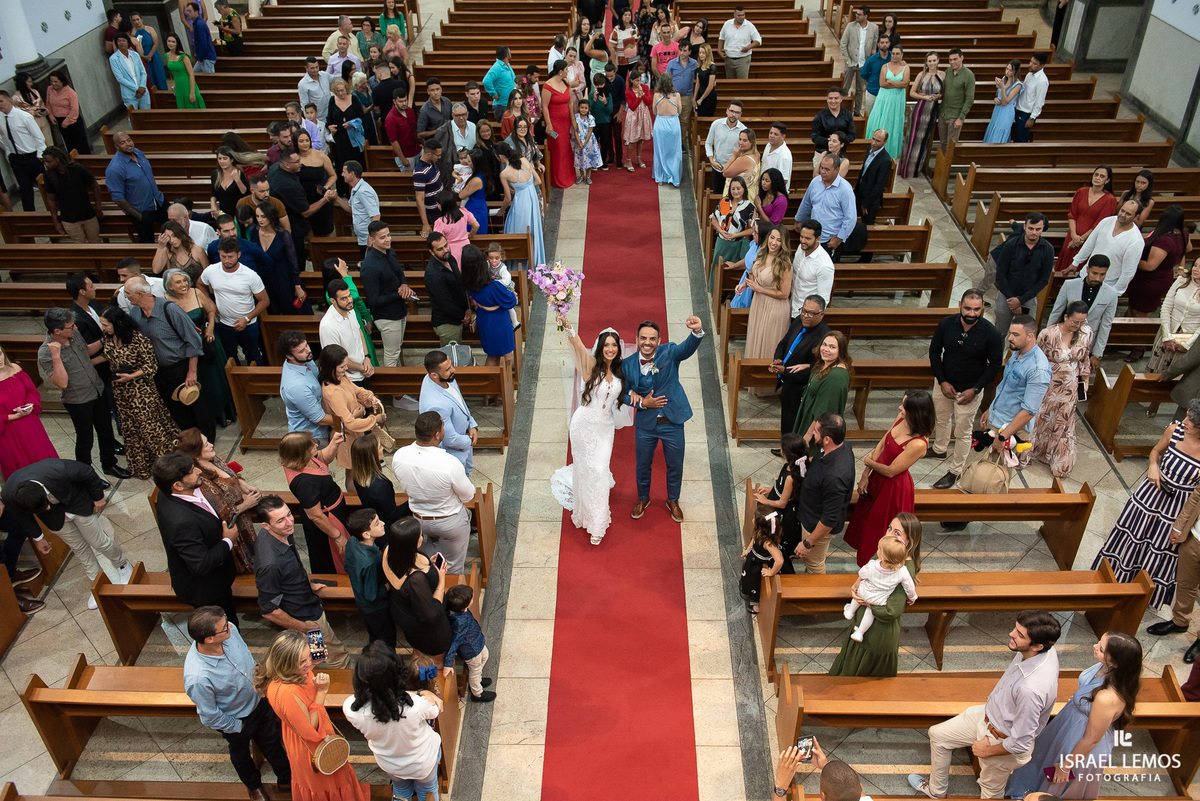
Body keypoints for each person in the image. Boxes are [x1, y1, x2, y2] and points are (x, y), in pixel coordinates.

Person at [909, 611, 1062, 800]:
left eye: (1020, 635)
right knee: (938, 735)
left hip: (1000, 739)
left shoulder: (1030, 690)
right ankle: (936, 791)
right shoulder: (1044, 649)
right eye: (1015, 628)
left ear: (1038, 646)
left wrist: (987, 750)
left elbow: (1021, 742)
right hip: (988, 715)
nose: (1011, 634)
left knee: (990, 792)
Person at [1008, 632, 1141, 800]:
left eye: (1100, 648)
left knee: (1055, 776)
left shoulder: (1107, 697)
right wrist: (1081, 702)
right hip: (1069, 722)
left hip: (1079, 739)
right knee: (1043, 757)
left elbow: (1090, 739)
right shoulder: (1111, 670)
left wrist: (1066, 766)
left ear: (1114, 663)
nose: (1094, 646)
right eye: (1099, 642)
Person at [1091, 405, 1200, 609]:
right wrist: (1153, 466)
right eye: (1186, 417)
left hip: (1178, 506)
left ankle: (1142, 595)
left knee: (1159, 547)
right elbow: (1156, 451)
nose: (1184, 422)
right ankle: (1114, 580)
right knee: (1134, 536)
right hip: (1151, 494)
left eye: (1191, 422)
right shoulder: (1174, 430)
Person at [183, 607, 292, 801]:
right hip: (236, 719)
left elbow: (246, 656)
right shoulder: (198, 677)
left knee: (273, 744)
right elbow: (209, 714)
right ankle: (254, 786)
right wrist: (236, 726)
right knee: (241, 756)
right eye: (224, 627)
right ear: (209, 639)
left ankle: (286, 779)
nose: (230, 627)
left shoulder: (229, 630)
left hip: (259, 701)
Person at [4, 458, 134, 609]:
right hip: (55, 520)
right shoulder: (9, 495)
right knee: (79, 549)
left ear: (43, 488)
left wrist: (98, 498)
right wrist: (39, 537)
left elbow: (87, 472)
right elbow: (22, 517)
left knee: (99, 542)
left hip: (76, 502)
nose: (47, 508)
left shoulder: (57, 469)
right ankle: (98, 583)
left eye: (45, 504)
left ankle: (122, 565)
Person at [254, 630, 363, 798]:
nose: (309, 663)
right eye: (302, 661)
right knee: (326, 783)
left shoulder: (293, 673)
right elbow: (309, 729)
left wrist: (311, 664)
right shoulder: (287, 692)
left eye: (308, 657)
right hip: (310, 746)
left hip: (314, 734)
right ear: (286, 663)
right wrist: (322, 692)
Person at [253, 493, 353, 669]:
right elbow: (269, 610)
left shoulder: (279, 533)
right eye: (280, 520)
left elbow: (289, 571)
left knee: (316, 656)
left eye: (289, 515)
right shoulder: (270, 564)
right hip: (304, 616)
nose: (289, 522)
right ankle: (341, 685)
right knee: (336, 656)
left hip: (305, 604)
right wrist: (304, 626)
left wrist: (306, 584)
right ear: (265, 526)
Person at [550, 319, 627, 544]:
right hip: (583, 425)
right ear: (600, 347)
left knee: (600, 470)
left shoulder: (622, 371)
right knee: (586, 469)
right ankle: (590, 519)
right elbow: (577, 345)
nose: (610, 349)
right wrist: (568, 327)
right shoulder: (590, 367)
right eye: (607, 345)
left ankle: (598, 521)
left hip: (605, 427)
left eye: (614, 345)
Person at [622, 316, 705, 523]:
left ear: (659, 340)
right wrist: (641, 403)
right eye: (643, 338)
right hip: (645, 425)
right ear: (637, 339)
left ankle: (673, 501)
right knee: (642, 465)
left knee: (675, 464)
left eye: (652, 339)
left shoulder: (669, 352)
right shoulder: (627, 365)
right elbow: (621, 393)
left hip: (673, 422)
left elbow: (686, 349)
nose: (647, 343)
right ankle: (643, 499)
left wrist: (696, 332)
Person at [344, 643, 443, 801]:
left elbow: (375, 696)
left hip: (390, 763)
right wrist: (419, 692)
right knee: (428, 789)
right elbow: (435, 710)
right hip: (422, 762)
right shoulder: (415, 704)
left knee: (401, 791)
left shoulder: (352, 709)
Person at [843, 391, 933, 566]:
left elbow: (892, 471)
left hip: (892, 489)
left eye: (904, 406)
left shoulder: (918, 443)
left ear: (915, 412)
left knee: (879, 528)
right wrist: (865, 474)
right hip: (877, 478)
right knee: (865, 520)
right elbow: (882, 443)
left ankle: (876, 565)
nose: (900, 408)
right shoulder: (901, 418)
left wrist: (869, 461)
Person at [38, 308, 129, 479]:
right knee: (85, 439)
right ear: (57, 331)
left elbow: (86, 352)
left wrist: (105, 339)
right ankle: (86, 475)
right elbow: (62, 382)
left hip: (96, 390)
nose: (75, 328)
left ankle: (109, 464)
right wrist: (56, 356)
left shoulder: (73, 335)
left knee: (106, 431)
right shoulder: (45, 353)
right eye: (71, 327)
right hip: (78, 401)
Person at [928, 290, 1004, 489]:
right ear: (960, 304)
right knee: (941, 418)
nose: (971, 313)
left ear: (983, 309)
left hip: (970, 389)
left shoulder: (991, 334)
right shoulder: (946, 324)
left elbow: (994, 365)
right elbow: (935, 352)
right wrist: (942, 381)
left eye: (976, 309)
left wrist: (976, 389)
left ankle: (955, 471)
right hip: (944, 384)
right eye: (967, 308)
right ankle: (939, 448)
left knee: (963, 431)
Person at [829, 513, 922, 676]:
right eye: (890, 528)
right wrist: (855, 585)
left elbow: (892, 611)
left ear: (909, 542)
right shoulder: (889, 550)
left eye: (897, 533)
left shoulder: (904, 569)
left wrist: (869, 602)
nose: (889, 534)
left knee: (860, 679)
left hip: (878, 634)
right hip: (864, 622)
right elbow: (869, 569)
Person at [152, 452, 239, 622]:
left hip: (218, 576)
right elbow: (200, 564)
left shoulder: (169, 493)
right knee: (226, 625)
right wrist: (228, 540)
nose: (198, 471)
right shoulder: (182, 522)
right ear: (177, 485)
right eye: (192, 471)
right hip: (207, 589)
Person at [98, 307, 179, 478]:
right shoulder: (108, 338)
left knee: (150, 427)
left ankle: (168, 468)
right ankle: (142, 466)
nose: (103, 328)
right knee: (131, 428)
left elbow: (151, 365)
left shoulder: (138, 339)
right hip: (121, 392)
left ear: (118, 323)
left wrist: (130, 376)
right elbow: (107, 356)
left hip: (141, 391)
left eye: (106, 325)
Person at [177, 428, 261, 574]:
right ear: (196, 454)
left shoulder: (212, 459)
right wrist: (247, 504)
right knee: (245, 559)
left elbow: (229, 474)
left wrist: (243, 484)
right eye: (206, 444)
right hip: (232, 525)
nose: (211, 445)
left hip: (243, 518)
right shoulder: (200, 480)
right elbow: (219, 514)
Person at [1027, 301, 1093, 478]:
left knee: (1062, 421)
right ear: (1066, 317)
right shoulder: (1048, 334)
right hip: (1048, 384)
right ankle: (1033, 451)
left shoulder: (1087, 333)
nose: (1078, 326)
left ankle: (1057, 458)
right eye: (1074, 322)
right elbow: (1035, 357)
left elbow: (1085, 357)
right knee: (1042, 416)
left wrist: (1085, 378)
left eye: (1082, 322)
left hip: (1070, 387)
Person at [278, 432, 351, 575]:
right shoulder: (305, 482)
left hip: (333, 510)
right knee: (335, 557)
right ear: (301, 453)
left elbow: (322, 458)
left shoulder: (302, 459)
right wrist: (337, 536)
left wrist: (334, 443)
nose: (316, 446)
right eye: (311, 446)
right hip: (328, 519)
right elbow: (316, 516)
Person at [981, 315, 1052, 459]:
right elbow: (1006, 387)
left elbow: (1029, 411)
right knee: (987, 468)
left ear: (1030, 336)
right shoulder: (1017, 352)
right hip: (999, 419)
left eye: (1016, 334)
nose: (1010, 338)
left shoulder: (1038, 370)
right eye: (1010, 333)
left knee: (997, 475)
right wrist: (991, 408)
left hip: (1010, 429)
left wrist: (1003, 437)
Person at [381, 516, 453, 655]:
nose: (422, 536)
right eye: (420, 535)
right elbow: (432, 615)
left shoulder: (389, 550)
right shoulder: (416, 579)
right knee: (437, 657)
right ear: (414, 543)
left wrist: (429, 565)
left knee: (419, 650)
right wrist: (441, 578)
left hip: (402, 610)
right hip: (426, 629)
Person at [794, 413, 855, 574]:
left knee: (814, 563)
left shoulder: (835, 476)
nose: (813, 434)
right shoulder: (843, 446)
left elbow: (829, 518)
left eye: (815, 431)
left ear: (827, 439)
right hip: (809, 512)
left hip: (815, 524)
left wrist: (808, 543)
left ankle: (815, 595)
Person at [360, 221, 416, 381]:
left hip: (399, 310)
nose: (387, 239)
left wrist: (404, 284)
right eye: (382, 237)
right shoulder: (369, 267)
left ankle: (398, 381)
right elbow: (374, 300)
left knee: (396, 349)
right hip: (386, 316)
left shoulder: (390, 252)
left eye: (388, 235)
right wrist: (399, 294)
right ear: (372, 240)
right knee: (391, 354)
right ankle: (394, 390)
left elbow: (399, 273)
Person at [200, 239, 269, 367]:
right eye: (223, 256)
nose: (227, 260)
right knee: (229, 358)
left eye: (230, 257)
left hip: (248, 325)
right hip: (223, 323)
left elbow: (264, 301)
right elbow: (200, 284)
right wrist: (210, 302)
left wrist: (247, 318)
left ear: (238, 255)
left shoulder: (250, 275)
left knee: (253, 355)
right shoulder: (211, 271)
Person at [742, 224, 793, 396]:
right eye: (772, 237)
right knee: (757, 338)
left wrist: (759, 289)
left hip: (775, 307)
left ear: (783, 243)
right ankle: (752, 382)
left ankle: (766, 386)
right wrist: (744, 285)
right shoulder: (761, 254)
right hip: (759, 304)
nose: (774, 242)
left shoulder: (785, 264)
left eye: (779, 240)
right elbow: (753, 273)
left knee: (768, 342)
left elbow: (784, 293)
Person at [772, 296, 831, 440]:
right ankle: (786, 448)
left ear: (821, 315)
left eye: (811, 313)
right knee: (786, 419)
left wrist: (785, 371)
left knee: (794, 421)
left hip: (799, 388)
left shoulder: (823, 337)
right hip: (787, 381)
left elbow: (814, 370)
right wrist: (778, 359)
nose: (805, 316)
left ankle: (793, 451)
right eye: (804, 311)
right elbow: (784, 342)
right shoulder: (799, 321)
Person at [1048, 257, 1118, 374]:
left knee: (1079, 376)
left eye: (1102, 274)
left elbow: (1106, 325)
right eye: (1094, 273)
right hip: (1064, 338)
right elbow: (1056, 312)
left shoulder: (1111, 294)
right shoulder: (1069, 285)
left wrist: (1097, 354)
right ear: (1087, 270)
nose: (1097, 278)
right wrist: (1048, 337)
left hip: (1088, 343)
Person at [1127, 205, 1190, 334]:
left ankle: (1138, 347)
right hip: (1160, 277)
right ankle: (1126, 337)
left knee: (1140, 314)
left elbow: (1150, 265)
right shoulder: (1183, 234)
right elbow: (1187, 249)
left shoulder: (1164, 240)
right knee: (1133, 309)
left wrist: (1129, 260)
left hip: (1150, 282)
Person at [317, 343, 381, 468]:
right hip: (346, 435)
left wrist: (369, 397)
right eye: (342, 366)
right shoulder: (332, 391)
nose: (346, 368)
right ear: (331, 367)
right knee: (352, 471)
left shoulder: (341, 376)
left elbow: (357, 390)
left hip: (355, 432)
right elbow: (349, 422)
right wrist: (374, 419)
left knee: (359, 468)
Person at [418, 351, 479, 479]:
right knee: (461, 481)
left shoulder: (442, 378)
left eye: (451, 365)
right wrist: (470, 440)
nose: (453, 370)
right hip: (455, 453)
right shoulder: (436, 405)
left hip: (464, 438)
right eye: (448, 369)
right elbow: (450, 440)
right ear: (434, 375)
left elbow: (459, 400)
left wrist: (472, 424)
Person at [845, 535, 917, 641]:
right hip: (879, 600)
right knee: (870, 612)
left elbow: (862, 573)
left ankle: (850, 612)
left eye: (879, 549)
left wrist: (858, 582)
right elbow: (909, 586)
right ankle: (859, 633)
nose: (877, 550)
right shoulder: (902, 571)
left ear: (882, 556)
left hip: (864, 592)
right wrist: (913, 597)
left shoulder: (872, 565)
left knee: (859, 592)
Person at [992, 213, 1055, 336]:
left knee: (1025, 335)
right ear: (1025, 226)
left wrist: (1021, 300)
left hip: (1028, 298)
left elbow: (1043, 280)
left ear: (1043, 229)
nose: (1034, 232)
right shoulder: (1011, 245)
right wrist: (1012, 300)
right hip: (1006, 295)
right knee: (999, 333)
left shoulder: (1048, 249)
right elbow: (1000, 274)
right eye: (1031, 228)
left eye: (1038, 229)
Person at [0, 345, 56, 480]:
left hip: (30, 423)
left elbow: (31, 390)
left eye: (0, 354)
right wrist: (15, 416)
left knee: (41, 455)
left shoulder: (15, 368)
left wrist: (30, 405)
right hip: (8, 431)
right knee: (18, 465)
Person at [1069, 199, 1145, 295]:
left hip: (1107, 284)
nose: (1123, 215)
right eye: (1122, 210)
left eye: (1128, 214)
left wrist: (1115, 292)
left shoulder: (1136, 240)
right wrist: (1076, 262)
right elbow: (1089, 244)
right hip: (1085, 275)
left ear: (1136, 217)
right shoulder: (1106, 221)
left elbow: (1128, 272)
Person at [344, 509, 394, 647]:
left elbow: (347, 566)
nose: (383, 523)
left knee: (374, 636)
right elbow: (372, 595)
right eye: (377, 523)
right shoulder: (370, 562)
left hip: (362, 603)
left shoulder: (353, 541)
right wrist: (389, 584)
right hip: (376, 608)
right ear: (366, 534)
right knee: (385, 641)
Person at [795, 157, 859, 262]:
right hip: (812, 237)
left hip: (830, 240)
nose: (823, 172)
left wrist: (839, 238)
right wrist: (798, 220)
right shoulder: (815, 182)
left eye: (827, 169)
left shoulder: (845, 189)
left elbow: (850, 218)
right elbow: (806, 204)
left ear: (837, 169)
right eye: (822, 168)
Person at [106, 132, 166, 243]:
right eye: (122, 143)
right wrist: (139, 216)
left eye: (129, 140)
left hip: (158, 201)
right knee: (147, 242)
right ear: (116, 146)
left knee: (174, 229)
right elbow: (118, 199)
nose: (128, 144)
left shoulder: (138, 152)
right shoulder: (115, 168)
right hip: (141, 211)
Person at [1055, 166, 1117, 274]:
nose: (1097, 178)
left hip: (1090, 239)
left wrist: (1081, 239)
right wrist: (1074, 236)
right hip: (1072, 236)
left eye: (1102, 176)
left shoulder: (1110, 199)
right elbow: (1072, 215)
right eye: (1096, 174)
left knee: (1079, 268)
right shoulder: (1081, 191)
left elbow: (1100, 223)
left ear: (1107, 181)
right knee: (1063, 268)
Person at [496, 142, 546, 269]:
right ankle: (534, 260)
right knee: (533, 227)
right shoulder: (524, 160)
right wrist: (524, 187)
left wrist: (501, 211)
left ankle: (520, 263)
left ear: (500, 156)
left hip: (521, 203)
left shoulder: (504, 173)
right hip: (532, 198)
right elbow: (538, 181)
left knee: (518, 229)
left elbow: (507, 199)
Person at [1148, 257, 1200, 374]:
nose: (1196, 269)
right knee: (1156, 371)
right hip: (1169, 331)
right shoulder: (1181, 281)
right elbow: (1166, 307)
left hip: (1190, 338)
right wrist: (1167, 336)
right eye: (1195, 265)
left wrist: (1187, 344)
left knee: (1177, 374)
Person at [279, 331, 334, 441]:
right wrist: (350, 418)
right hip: (312, 437)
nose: (308, 351)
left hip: (321, 427)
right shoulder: (296, 386)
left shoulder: (303, 360)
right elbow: (319, 419)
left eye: (307, 345)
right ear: (289, 356)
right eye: (302, 351)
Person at [320, 279, 375, 389]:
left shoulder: (350, 309)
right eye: (343, 298)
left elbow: (359, 332)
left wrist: (367, 357)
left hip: (363, 371)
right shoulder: (328, 326)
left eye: (349, 295)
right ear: (333, 300)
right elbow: (335, 359)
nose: (350, 300)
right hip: (348, 379)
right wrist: (362, 367)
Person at [41, 147, 102, 244]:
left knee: (95, 242)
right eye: (44, 162)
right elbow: (51, 199)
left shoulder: (77, 169)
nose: (46, 165)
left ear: (57, 159)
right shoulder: (48, 176)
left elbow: (95, 186)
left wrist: (98, 208)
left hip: (87, 214)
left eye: (48, 162)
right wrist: (56, 221)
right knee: (79, 246)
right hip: (69, 219)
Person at [898, 51, 944, 179]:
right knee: (912, 139)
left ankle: (917, 169)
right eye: (930, 61)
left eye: (934, 60)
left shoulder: (942, 75)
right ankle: (907, 169)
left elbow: (942, 93)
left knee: (924, 141)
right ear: (926, 62)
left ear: (938, 61)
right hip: (920, 110)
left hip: (932, 112)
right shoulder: (922, 75)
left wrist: (938, 96)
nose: (932, 63)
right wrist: (925, 97)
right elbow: (912, 92)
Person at [444, 584, 493, 701]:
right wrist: (448, 663)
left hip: (477, 641)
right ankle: (477, 693)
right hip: (471, 649)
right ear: (464, 608)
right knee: (475, 670)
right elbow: (455, 642)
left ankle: (478, 680)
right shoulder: (459, 622)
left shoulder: (459, 610)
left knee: (485, 656)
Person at [0, 91, 45, 213]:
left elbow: (38, 137)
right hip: (16, 158)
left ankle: (56, 209)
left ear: (9, 100)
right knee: (25, 189)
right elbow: (3, 137)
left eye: (1, 101)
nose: (0, 105)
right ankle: (29, 215)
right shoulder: (0, 118)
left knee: (45, 185)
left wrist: (40, 155)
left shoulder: (24, 116)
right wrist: (9, 153)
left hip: (31, 156)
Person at [866, 44, 908, 159]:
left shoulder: (906, 68)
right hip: (884, 98)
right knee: (881, 119)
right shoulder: (885, 66)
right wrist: (896, 84)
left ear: (902, 55)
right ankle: (875, 146)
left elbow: (905, 84)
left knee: (893, 122)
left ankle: (890, 150)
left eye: (897, 54)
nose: (895, 56)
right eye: (893, 53)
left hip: (897, 99)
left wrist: (890, 81)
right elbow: (882, 84)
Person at [709, 176, 756, 280]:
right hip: (722, 242)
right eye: (733, 189)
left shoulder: (749, 207)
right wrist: (720, 230)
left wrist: (735, 235)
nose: (736, 191)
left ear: (744, 188)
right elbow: (713, 218)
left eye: (738, 188)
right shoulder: (724, 201)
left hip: (737, 243)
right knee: (717, 267)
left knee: (732, 272)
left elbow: (752, 229)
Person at [739, 511, 784, 613]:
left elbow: (779, 560)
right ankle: (750, 592)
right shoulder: (759, 531)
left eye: (754, 519)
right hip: (752, 560)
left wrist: (772, 572)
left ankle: (757, 601)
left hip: (759, 565)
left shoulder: (768, 543)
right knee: (748, 579)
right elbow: (754, 540)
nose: (752, 520)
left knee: (756, 584)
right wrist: (748, 550)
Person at [542, 59, 575, 189]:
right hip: (554, 123)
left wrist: (572, 120)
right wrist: (549, 124)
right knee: (558, 149)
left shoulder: (566, 83)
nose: (568, 71)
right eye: (566, 69)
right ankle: (557, 177)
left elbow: (570, 103)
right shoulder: (548, 86)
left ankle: (567, 174)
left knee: (566, 148)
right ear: (560, 71)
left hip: (565, 122)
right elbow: (544, 106)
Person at [840, 6, 879, 114]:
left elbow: (874, 46)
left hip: (864, 64)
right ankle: (843, 110)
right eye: (857, 14)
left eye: (859, 14)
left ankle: (857, 111)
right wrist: (847, 60)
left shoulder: (874, 28)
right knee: (845, 88)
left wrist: (870, 61)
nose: (857, 16)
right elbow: (843, 44)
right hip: (851, 62)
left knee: (860, 89)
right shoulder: (850, 26)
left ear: (866, 16)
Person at [704, 101, 747, 192]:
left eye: (737, 112)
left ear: (740, 114)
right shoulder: (716, 124)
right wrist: (711, 161)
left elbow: (744, 151)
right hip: (717, 166)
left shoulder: (743, 130)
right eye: (731, 111)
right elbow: (708, 143)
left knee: (731, 196)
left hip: (733, 170)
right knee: (717, 193)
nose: (733, 114)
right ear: (726, 111)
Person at [45, 72, 90, 156]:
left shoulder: (70, 93)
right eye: (51, 81)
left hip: (72, 121)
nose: (53, 84)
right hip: (59, 120)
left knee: (80, 144)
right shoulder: (49, 89)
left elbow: (74, 110)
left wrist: (66, 122)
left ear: (62, 81)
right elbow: (48, 104)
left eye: (56, 82)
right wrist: (50, 115)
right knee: (69, 144)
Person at [648, 75, 682, 186]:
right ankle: (674, 176)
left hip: (660, 124)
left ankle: (660, 177)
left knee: (660, 151)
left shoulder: (656, 95)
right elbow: (679, 111)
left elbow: (654, 111)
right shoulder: (676, 95)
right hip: (673, 125)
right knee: (674, 151)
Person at [810, 88, 856, 170]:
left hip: (840, 155)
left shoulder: (847, 114)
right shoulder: (820, 116)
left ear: (841, 99)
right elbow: (815, 137)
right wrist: (830, 141)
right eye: (830, 98)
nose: (833, 101)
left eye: (836, 98)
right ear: (827, 99)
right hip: (822, 153)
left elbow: (852, 136)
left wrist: (839, 142)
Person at [855, 129, 892, 226]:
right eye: (873, 139)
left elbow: (879, 186)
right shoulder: (869, 149)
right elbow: (864, 171)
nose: (874, 143)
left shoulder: (885, 160)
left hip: (870, 201)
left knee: (867, 225)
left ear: (885, 142)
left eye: (878, 141)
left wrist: (866, 204)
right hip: (860, 193)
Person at [983, 59, 1023, 144]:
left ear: (1015, 72)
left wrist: (1002, 87)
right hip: (998, 109)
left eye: (1010, 70)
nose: (1007, 72)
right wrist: (996, 99)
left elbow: (1005, 102)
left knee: (1000, 131)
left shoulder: (1018, 85)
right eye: (1007, 69)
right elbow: (999, 95)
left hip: (1006, 111)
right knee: (993, 129)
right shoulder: (1004, 78)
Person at [109, 33, 151, 111]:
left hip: (142, 90)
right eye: (119, 41)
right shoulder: (114, 58)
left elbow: (143, 72)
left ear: (128, 42)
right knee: (132, 118)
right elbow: (120, 78)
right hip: (129, 93)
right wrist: (136, 89)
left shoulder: (135, 55)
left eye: (123, 41)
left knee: (147, 114)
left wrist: (142, 86)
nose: (121, 43)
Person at [1012, 53, 1048, 143]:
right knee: (1016, 136)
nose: (1030, 65)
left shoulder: (1042, 81)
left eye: (1034, 63)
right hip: (1019, 109)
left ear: (1042, 65)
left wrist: (1032, 118)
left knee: (1021, 139)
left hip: (1026, 114)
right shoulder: (1030, 74)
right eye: (1031, 61)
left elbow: (1040, 101)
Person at [718, 6, 762, 79]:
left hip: (743, 59)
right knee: (730, 82)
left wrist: (748, 47)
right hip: (729, 59)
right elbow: (721, 38)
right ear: (734, 15)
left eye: (743, 15)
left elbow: (758, 40)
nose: (741, 17)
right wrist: (719, 50)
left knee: (742, 83)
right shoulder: (727, 24)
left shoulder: (749, 26)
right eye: (739, 15)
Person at [163, 33, 205, 109]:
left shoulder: (184, 57)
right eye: (169, 41)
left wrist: (192, 92)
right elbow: (173, 72)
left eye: (173, 42)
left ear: (177, 43)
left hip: (188, 85)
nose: (171, 44)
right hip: (179, 86)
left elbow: (191, 74)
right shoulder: (167, 56)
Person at [412, 140, 444, 236]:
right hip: (433, 211)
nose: (439, 157)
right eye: (437, 155)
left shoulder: (431, 163)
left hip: (441, 206)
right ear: (429, 153)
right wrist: (425, 223)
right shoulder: (420, 173)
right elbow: (419, 199)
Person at [622, 71, 653, 171]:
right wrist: (639, 97)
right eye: (636, 80)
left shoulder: (645, 88)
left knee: (641, 139)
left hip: (643, 114)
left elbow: (649, 102)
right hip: (634, 116)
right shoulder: (628, 92)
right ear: (631, 80)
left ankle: (638, 158)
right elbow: (632, 106)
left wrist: (642, 94)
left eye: (640, 80)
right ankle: (628, 160)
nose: (639, 82)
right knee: (632, 140)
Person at [385, 91, 420, 171]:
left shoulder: (410, 111)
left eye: (405, 100)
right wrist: (403, 159)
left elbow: (415, 130)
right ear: (394, 101)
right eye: (401, 101)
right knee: (409, 180)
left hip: (416, 149)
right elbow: (393, 141)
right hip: (405, 154)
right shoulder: (391, 118)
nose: (404, 103)